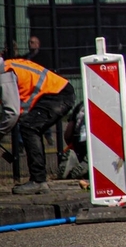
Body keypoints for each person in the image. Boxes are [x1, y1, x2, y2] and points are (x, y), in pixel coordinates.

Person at [1, 55, 76, 194]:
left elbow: (12, 113)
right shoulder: (7, 68)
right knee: (29, 126)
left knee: (29, 128)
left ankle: (38, 181)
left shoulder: (4, 75)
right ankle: (38, 179)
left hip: (57, 95)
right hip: (56, 93)